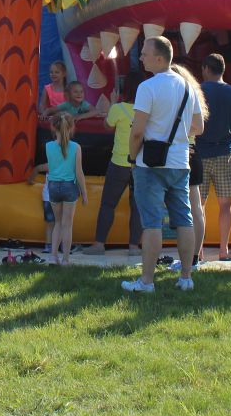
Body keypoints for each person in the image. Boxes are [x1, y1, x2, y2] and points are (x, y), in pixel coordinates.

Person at [121, 36, 207, 293]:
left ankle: (147, 281)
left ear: (159, 58)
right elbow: (199, 126)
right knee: (184, 219)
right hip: (180, 162)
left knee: (151, 223)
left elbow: (137, 131)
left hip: (150, 164)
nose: (140, 57)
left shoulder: (147, 87)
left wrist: (131, 158)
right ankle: (186, 277)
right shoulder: (188, 87)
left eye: (144, 53)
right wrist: (176, 135)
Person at [194, 53, 231, 261]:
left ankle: (197, 251)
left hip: (199, 154)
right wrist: (228, 127)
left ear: (206, 69)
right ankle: (223, 250)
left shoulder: (197, 91)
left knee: (197, 205)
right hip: (225, 154)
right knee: (225, 205)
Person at [83, 82, 141, 255]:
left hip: (119, 164)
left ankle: (99, 244)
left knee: (108, 204)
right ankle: (134, 247)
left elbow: (107, 126)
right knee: (137, 207)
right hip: (139, 165)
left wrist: (114, 103)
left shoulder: (118, 108)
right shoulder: (146, 110)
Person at [31, 112, 88, 265]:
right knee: (67, 225)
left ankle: (53, 256)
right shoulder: (76, 147)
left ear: (53, 127)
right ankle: (65, 259)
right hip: (69, 187)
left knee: (57, 223)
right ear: (71, 128)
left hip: (53, 186)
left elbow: (53, 166)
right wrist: (84, 193)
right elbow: (79, 172)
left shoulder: (48, 146)